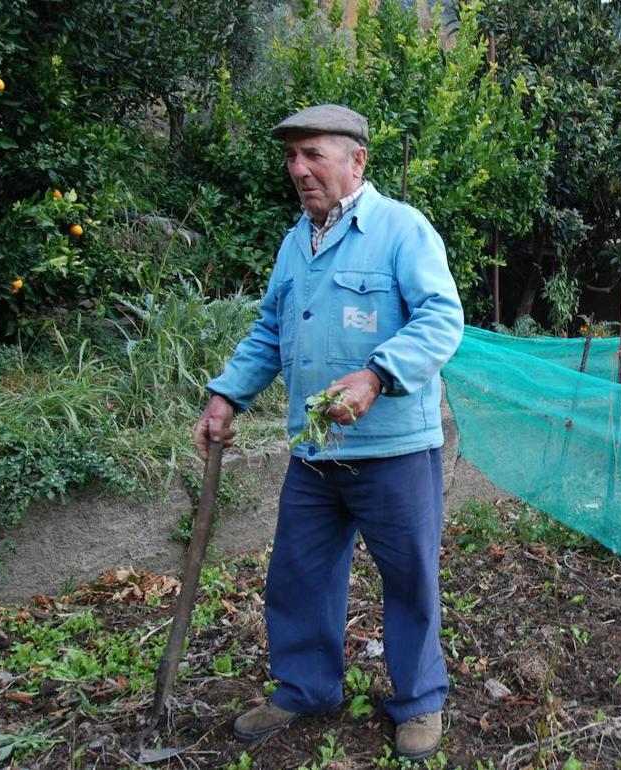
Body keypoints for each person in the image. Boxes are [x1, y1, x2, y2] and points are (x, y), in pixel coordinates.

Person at [192, 104, 464, 760]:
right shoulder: (296, 242)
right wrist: (227, 393)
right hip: (316, 451)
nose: (299, 169)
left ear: (357, 160)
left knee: (409, 579)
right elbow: (268, 330)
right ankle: (307, 688)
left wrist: (377, 376)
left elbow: (440, 318)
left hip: (393, 450)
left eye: (313, 154)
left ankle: (420, 700)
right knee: (298, 574)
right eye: (292, 157)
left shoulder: (402, 230)